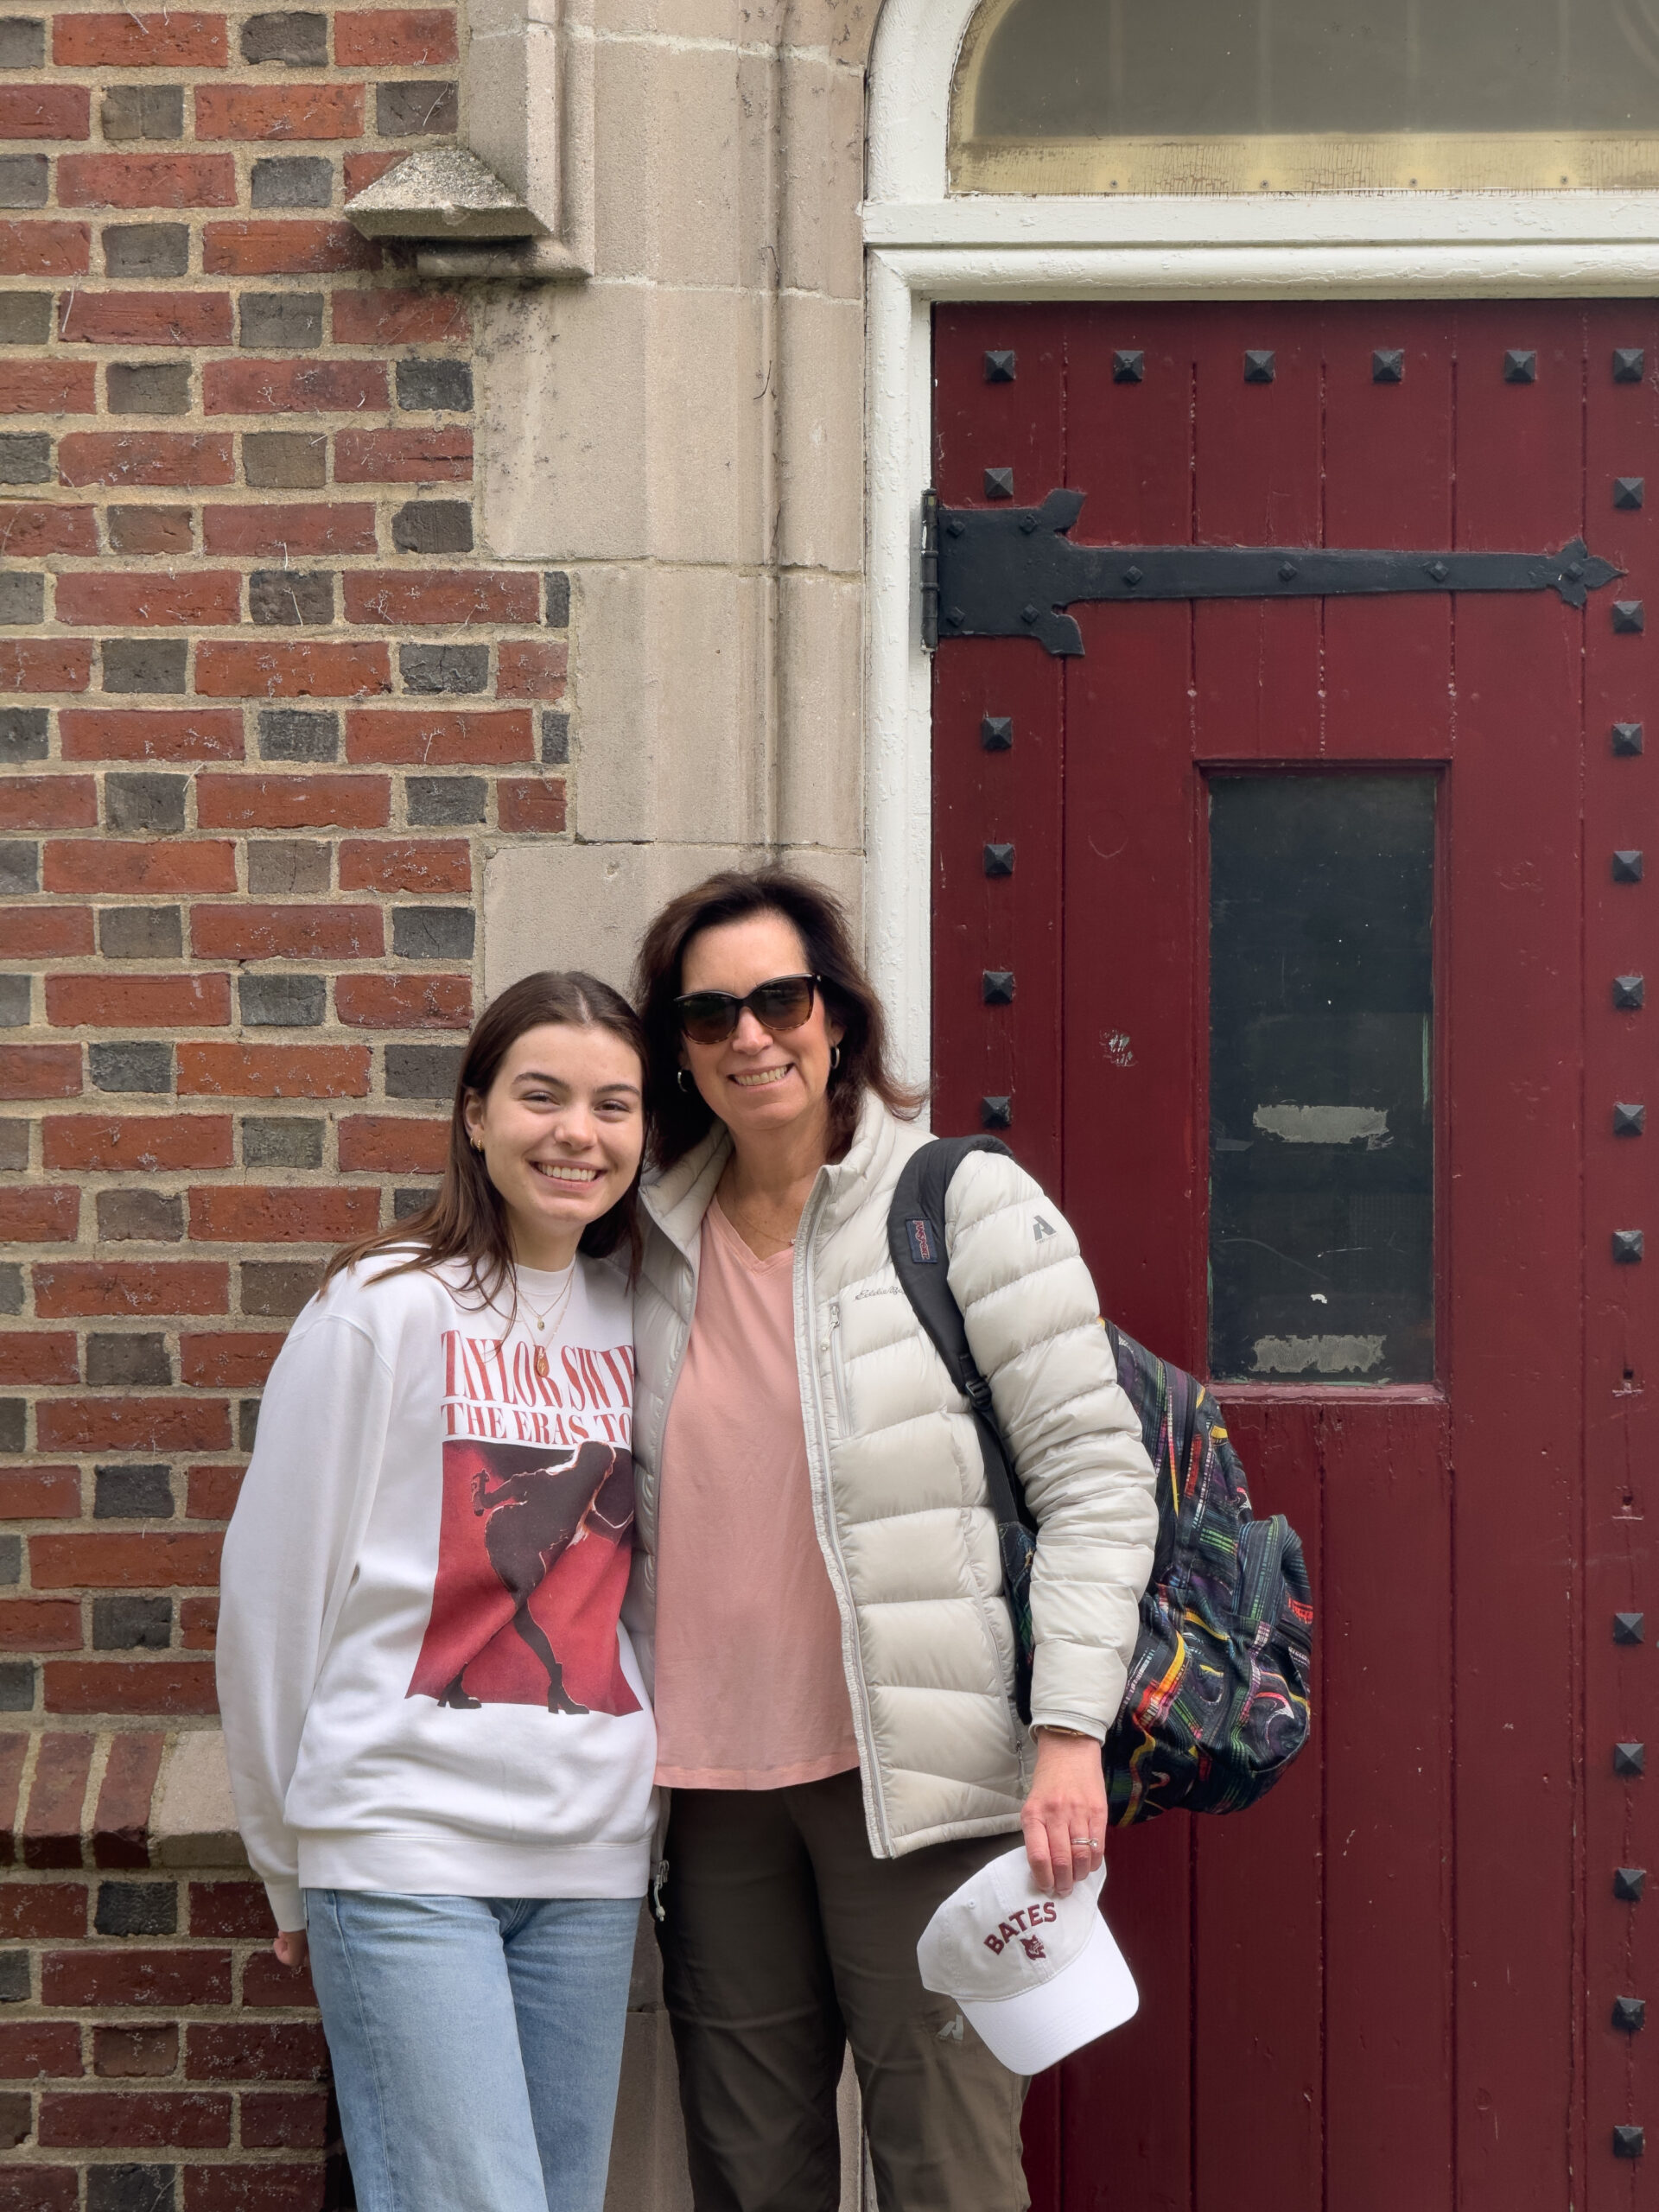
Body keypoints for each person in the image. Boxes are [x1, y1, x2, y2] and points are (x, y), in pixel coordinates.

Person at [626, 868, 1160, 2212]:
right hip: (710, 1795)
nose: (751, 1036)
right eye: (709, 1015)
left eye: (781, 999)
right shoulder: (637, 1243)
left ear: (840, 1017)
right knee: (751, 2179)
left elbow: (1098, 1477)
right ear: (678, 1049)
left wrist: (1068, 1733)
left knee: (947, 2172)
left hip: (920, 1781)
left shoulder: (956, 1204)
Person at [217, 972, 658, 2212]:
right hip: (404, 1847)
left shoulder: (643, 1319)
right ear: (475, 1115)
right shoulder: (381, 1310)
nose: (579, 1132)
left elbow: (650, 1588)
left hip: (589, 1860)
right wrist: (286, 1861)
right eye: (542, 1096)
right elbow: (272, 1598)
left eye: (613, 1105)